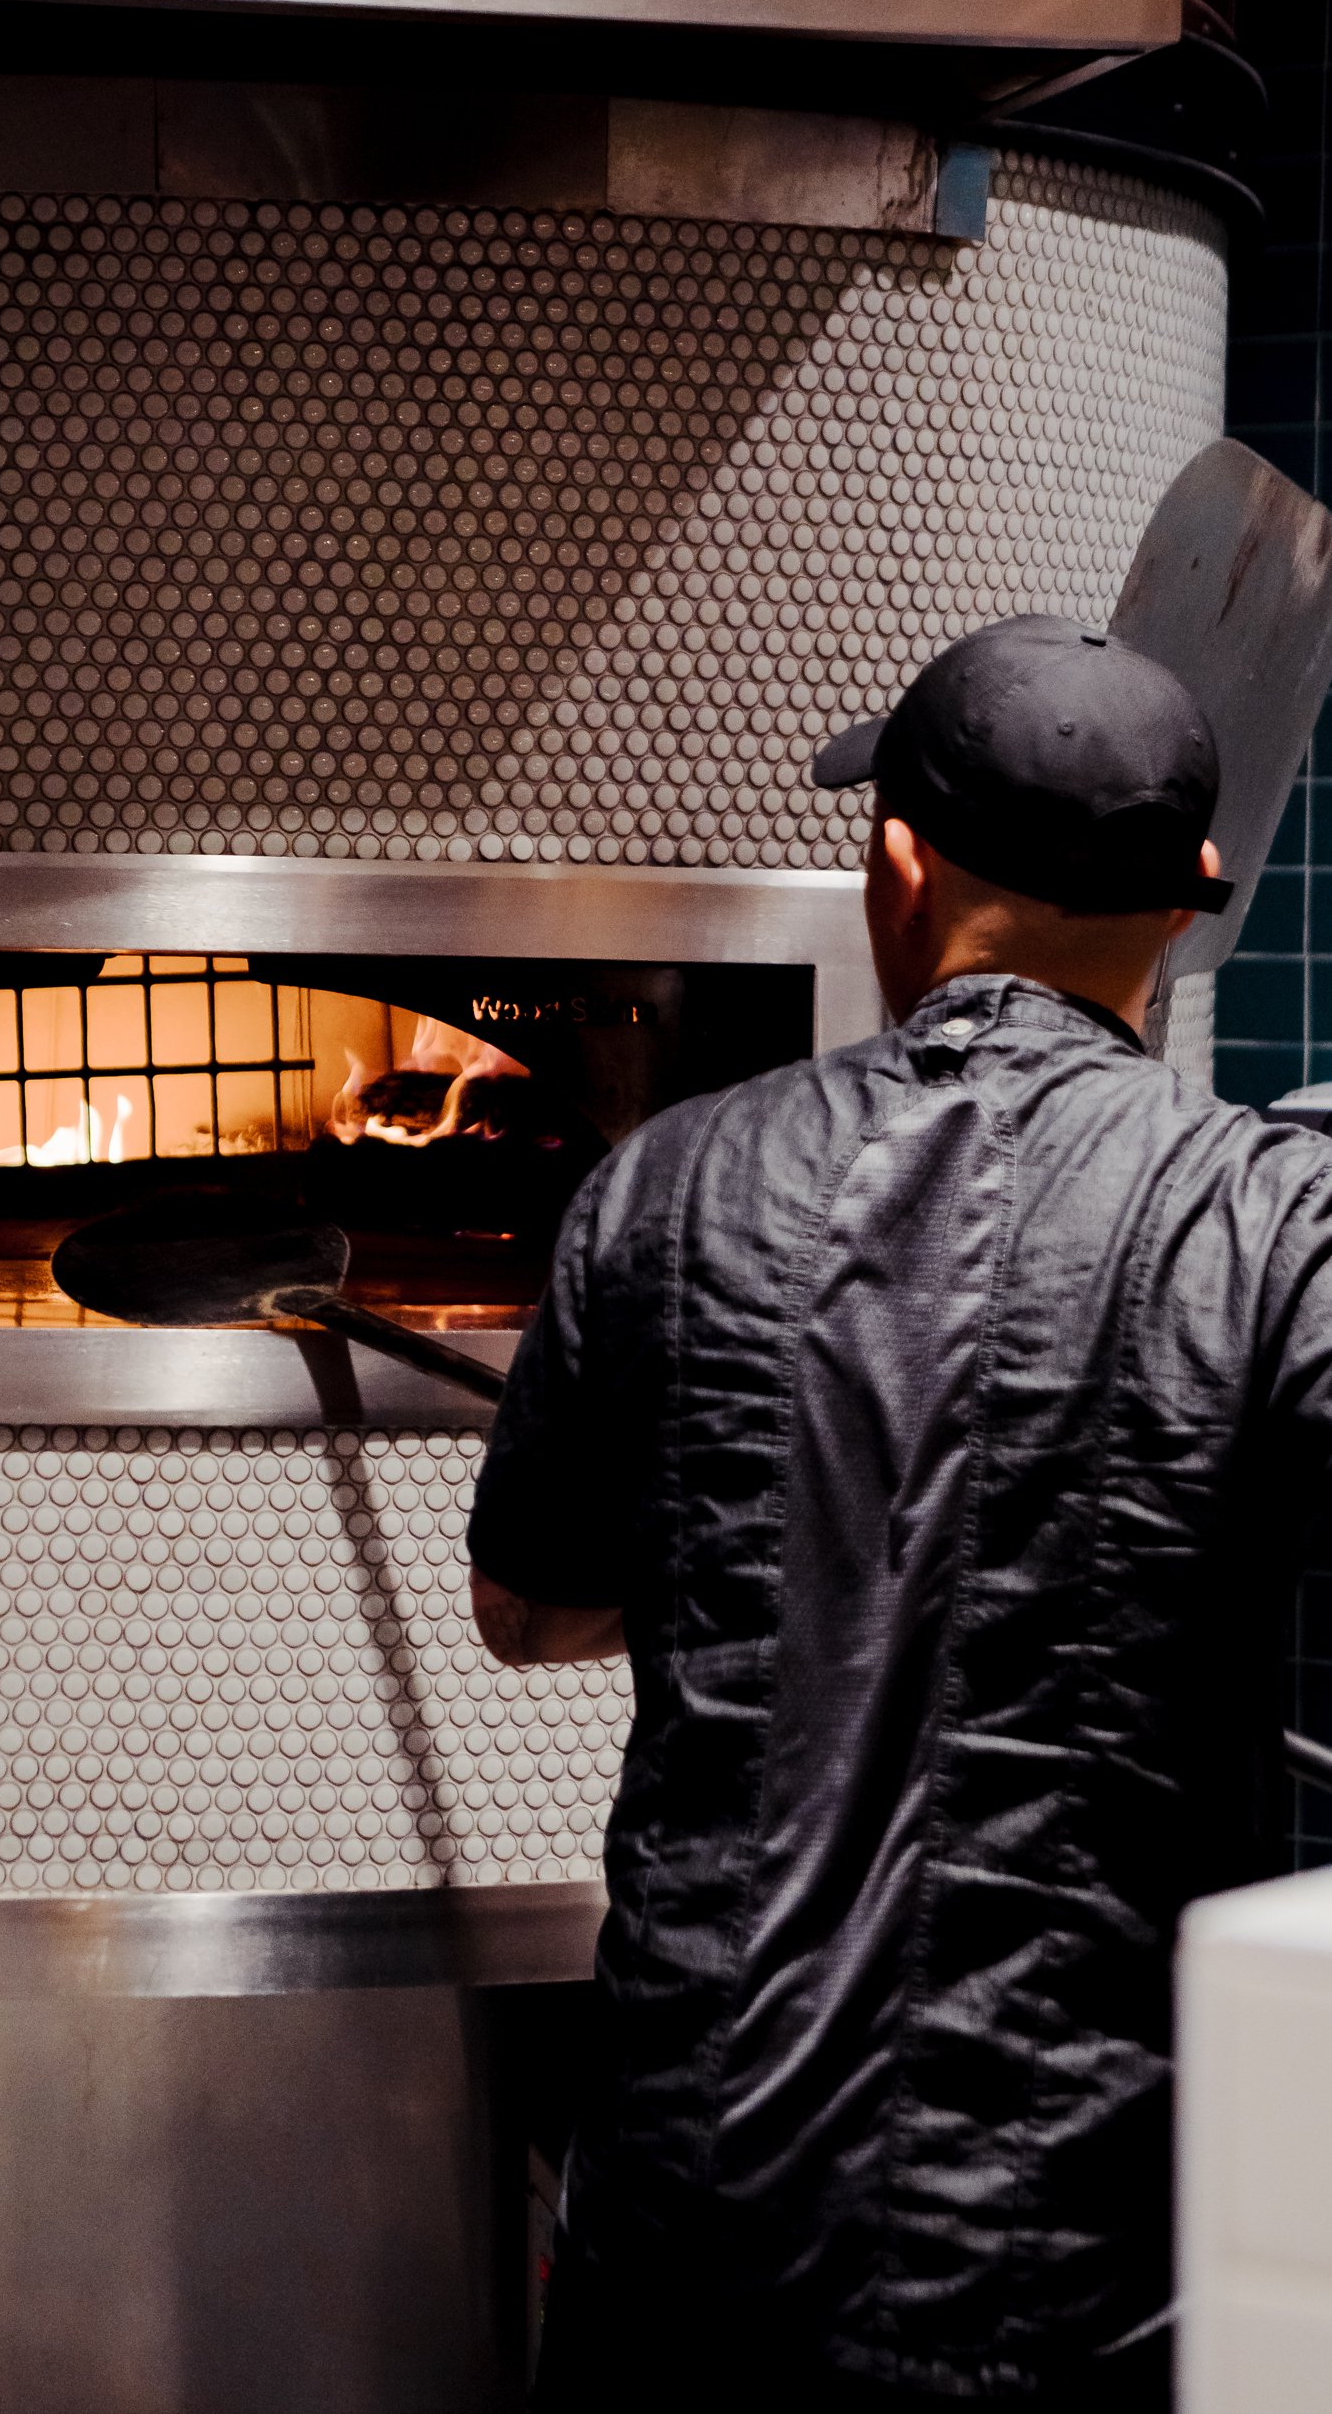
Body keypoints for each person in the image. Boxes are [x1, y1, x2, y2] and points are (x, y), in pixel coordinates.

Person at [467, 613, 1332, 2410]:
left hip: (706, 2212)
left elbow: (526, 1609)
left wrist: (744, 1551)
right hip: (1096, 2223)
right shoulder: (1274, 1224)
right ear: (1194, 897)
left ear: (898, 867)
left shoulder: (669, 1184)